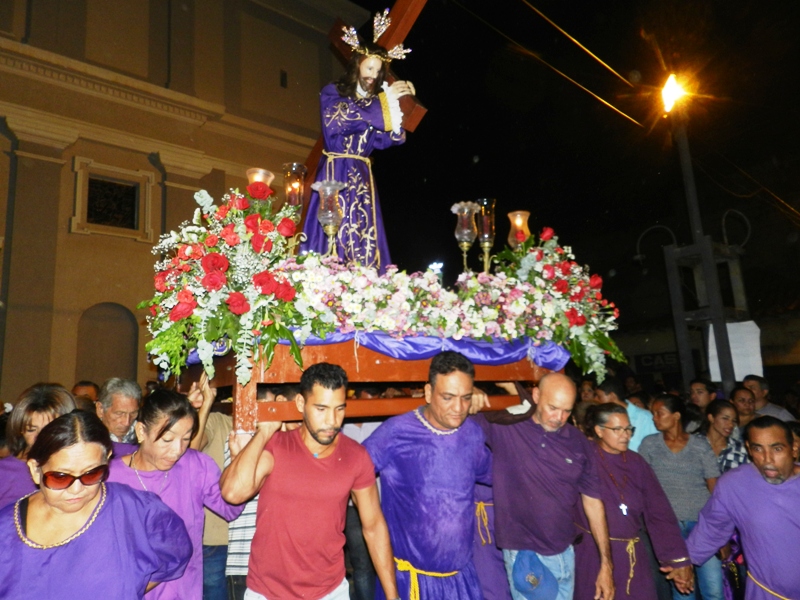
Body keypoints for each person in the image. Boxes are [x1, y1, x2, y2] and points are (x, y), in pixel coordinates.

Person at [220, 363, 399, 600]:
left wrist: (393, 596)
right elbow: (232, 493)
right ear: (301, 405)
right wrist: (264, 432)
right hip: (267, 592)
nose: (332, 421)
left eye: (339, 409)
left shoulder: (355, 456)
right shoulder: (277, 446)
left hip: (329, 592)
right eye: (321, 409)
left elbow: (374, 526)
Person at [0, 411, 192, 598]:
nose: (76, 489)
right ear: (35, 469)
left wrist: (133, 587)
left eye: (91, 474)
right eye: (60, 477)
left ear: (106, 459)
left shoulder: (135, 510)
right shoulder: (6, 529)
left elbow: (176, 550)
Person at [363, 351, 493, 599]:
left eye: (466, 398)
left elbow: (499, 476)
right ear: (427, 392)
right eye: (448, 397)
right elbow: (350, 473)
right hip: (412, 582)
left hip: (461, 580)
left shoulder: (473, 433)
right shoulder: (396, 432)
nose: (458, 408)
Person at [475, 372, 615, 600]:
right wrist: (473, 395)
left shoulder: (578, 442)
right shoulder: (507, 426)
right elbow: (452, 416)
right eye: (553, 408)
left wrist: (607, 565)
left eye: (567, 411)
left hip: (565, 552)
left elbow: (593, 501)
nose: (559, 417)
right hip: (525, 553)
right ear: (537, 395)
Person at [300, 14, 415, 272]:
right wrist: (385, 102)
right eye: (369, 68)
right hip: (335, 171)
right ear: (357, 65)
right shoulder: (334, 92)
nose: (373, 75)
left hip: (362, 174)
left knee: (363, 231)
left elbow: (385, 138)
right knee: (334, 231)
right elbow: (340, 119)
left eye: (378, 70)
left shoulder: (377, 103)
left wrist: (398, 107)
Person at [108, 387, 243, 600]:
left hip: (184, 592)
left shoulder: (196, 465)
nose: (177, 450)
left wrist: (238, 463)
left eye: (186, 439)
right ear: (142, 432)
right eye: (167, 440)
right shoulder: (111, 477)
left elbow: (230, 509)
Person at [574, 403, 693, 599]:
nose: (626, 435)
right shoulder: (584, 458)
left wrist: (677, 559)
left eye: (629, 429)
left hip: (632, 552)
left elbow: (659, 512)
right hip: (592, 552)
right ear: (599, 430)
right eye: (618, 429)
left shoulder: (636, 463)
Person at [678, 416, 800, 599]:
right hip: (766, 593)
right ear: (749, 449)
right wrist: (683, 563)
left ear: (794, 448)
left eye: (777, 449)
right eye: (758, 449)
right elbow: (712, 528)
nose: (767, 459)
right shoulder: (735, 484)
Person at [638, 394, 722, 600]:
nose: (654, 418)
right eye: (653, 414)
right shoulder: (649, 444)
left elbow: (715, 487)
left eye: (659, 413)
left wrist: (720, 527)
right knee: (683, 590)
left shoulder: (699, 445)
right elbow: (642, 485)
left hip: (701, 523)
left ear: (676, 416)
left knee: (713, 588)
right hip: (668, 526)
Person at [0, 383, 76, 509]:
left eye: (49, 429)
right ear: (20, 430)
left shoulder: (83, 468)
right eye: (31, 430)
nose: (40, 438)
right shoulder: (4, 472)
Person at [595, 377, 657, 452]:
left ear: (612, 396)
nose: (596, 400)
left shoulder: (645, 418)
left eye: (599, 396)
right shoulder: (601, 418)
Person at [698, 399, 748, 473]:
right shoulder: (694, 444)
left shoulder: (739, 449)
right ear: (711, 418)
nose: (731, 425)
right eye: (725, 419)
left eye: (733, 421)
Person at [96, 377, 141, 453]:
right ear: (100, 409)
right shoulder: (88, 439)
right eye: (119, 413)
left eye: (133, 413)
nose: (126, 422)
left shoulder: (145, 437)